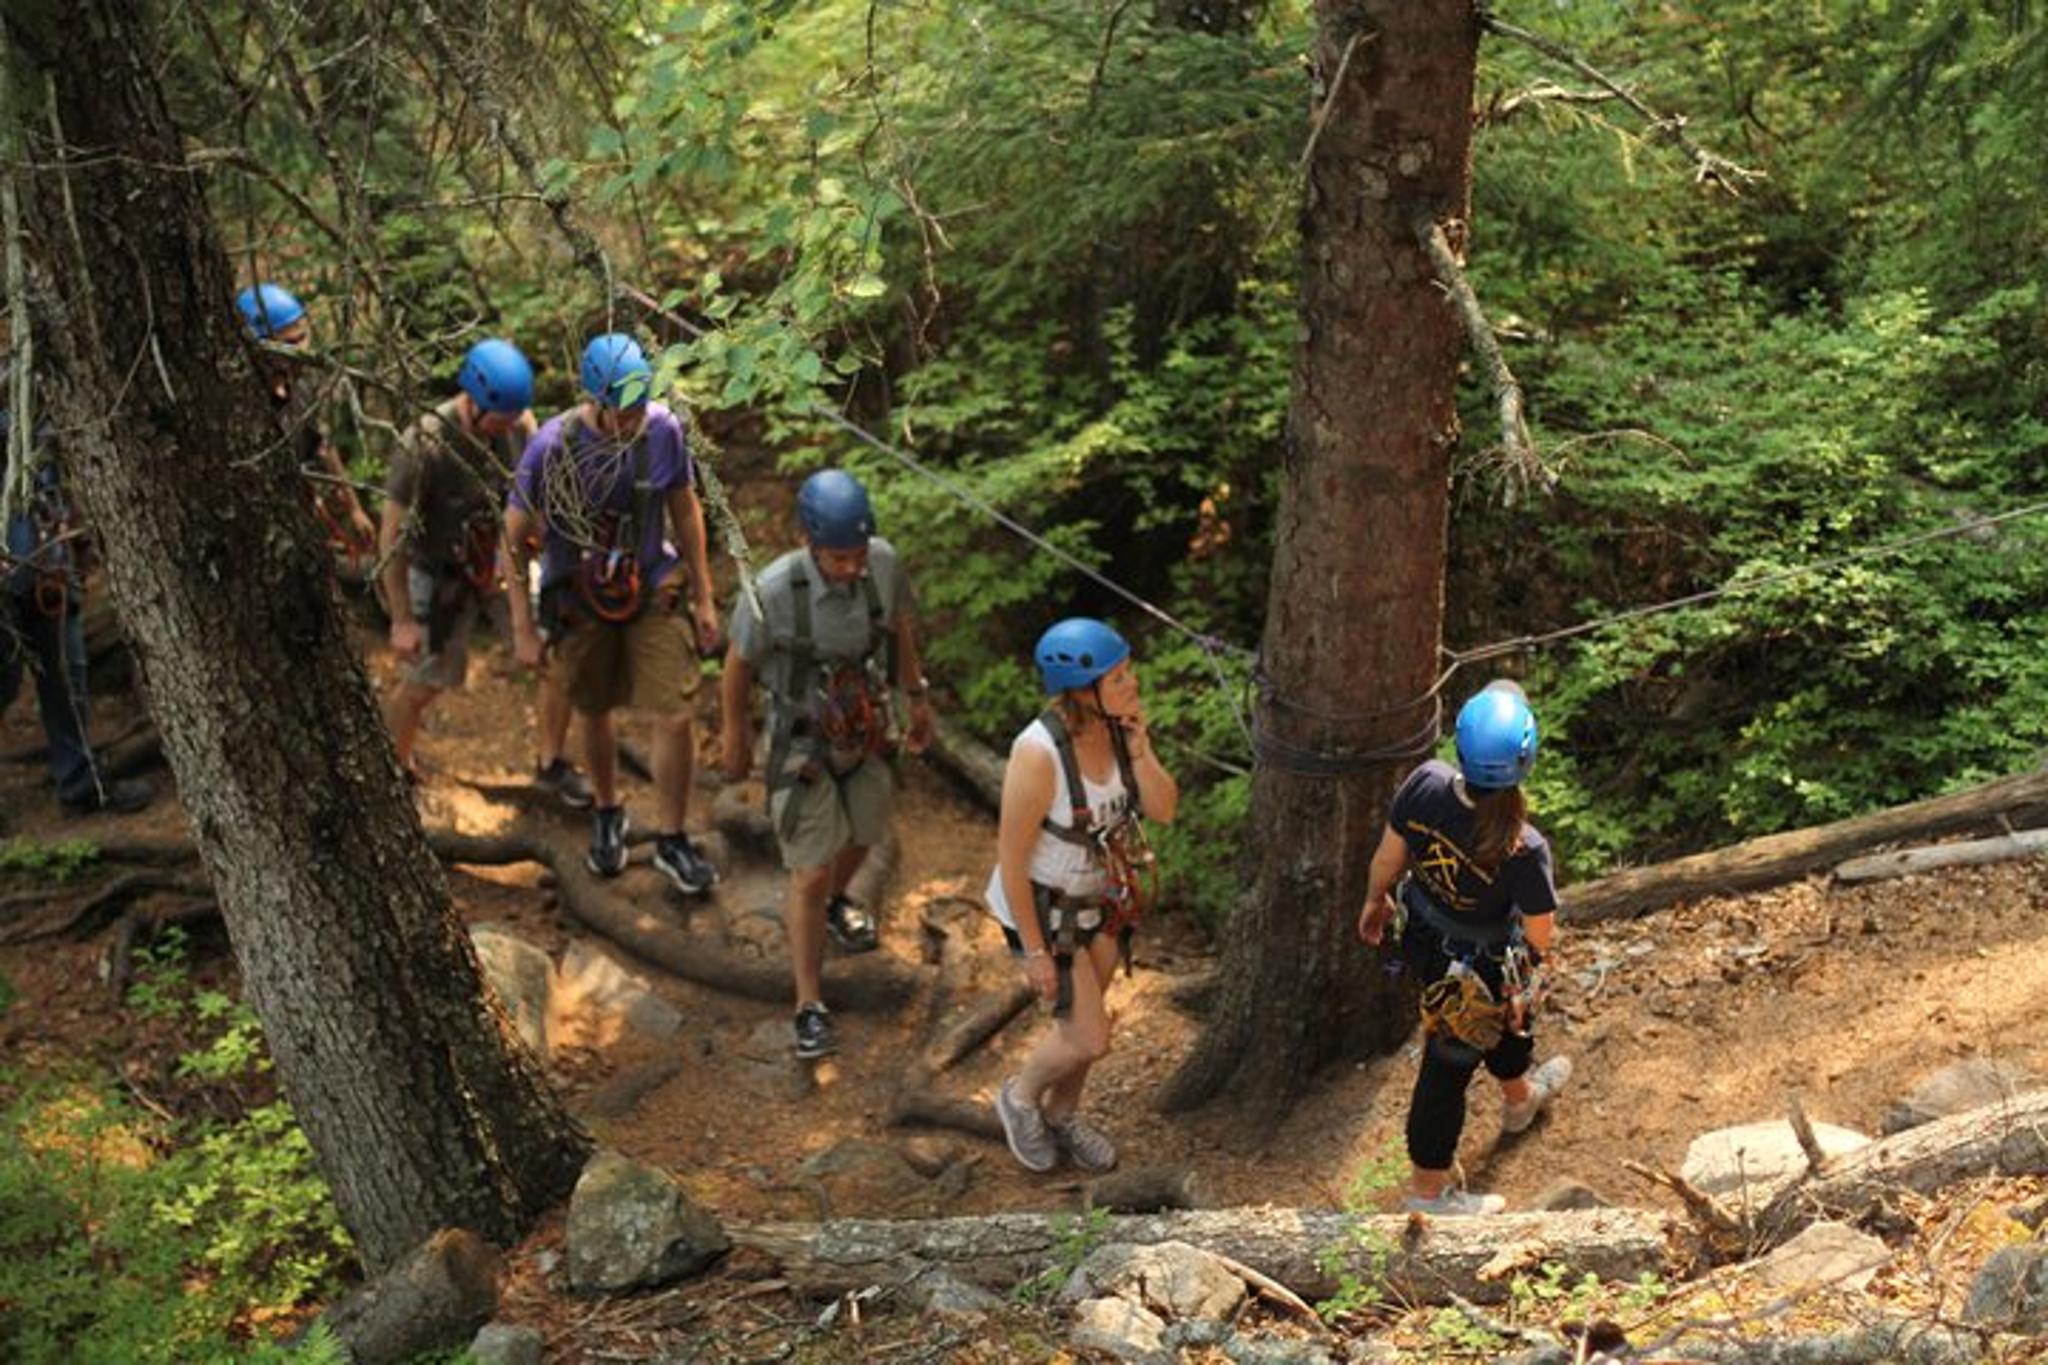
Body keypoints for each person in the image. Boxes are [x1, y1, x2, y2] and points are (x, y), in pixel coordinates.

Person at [719, 469, 936, 1059]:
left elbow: (899, 629)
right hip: (799, 740)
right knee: (809, 871)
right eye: (838, 557)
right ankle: (809, 1002)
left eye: (858, 554)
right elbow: (737, 666)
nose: (851, 567)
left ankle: (839, 902)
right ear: (806, 541)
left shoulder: (881, 567)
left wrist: (914, 696)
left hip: (864, 725)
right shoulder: (771, 591)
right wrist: (735, 733)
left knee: (866, 832)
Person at [504, 333, 721, 889]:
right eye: (621, 411)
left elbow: (685, 509)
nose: (631, 421)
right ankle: (607, 809)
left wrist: (702, 594)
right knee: (593, 706)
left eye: (637, 408)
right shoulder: (552, 447)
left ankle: (672, 837)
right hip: (578, 595)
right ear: (594, 400)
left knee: (674, 711)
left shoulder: (663, 431)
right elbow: (513, 538)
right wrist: (523, 627)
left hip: (649, 582)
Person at [1355, 680, 1574, 1216]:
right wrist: (1532, 967)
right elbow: (1540, 927)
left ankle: (1520, 1098)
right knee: (1447, 1068)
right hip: (1482, 966)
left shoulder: (1425, 785)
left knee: (1501, 1023)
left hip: (1426, 942)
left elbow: (1388, 857)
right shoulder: (1524, 847)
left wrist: (1374, 901)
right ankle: (1428, 1194)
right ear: (1526, 759)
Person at [988, 619, 1178, 1174]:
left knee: (1083, 1026)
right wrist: (1034, 951)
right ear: (1081, 691)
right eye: (1118, 677)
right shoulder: (1038, 752)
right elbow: (1010, 857)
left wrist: (1141, 752)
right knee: (1090, 1037)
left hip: (1099, 900)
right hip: (1044, 907)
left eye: (1128, 672)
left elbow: (1165, 810)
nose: (1133, 684)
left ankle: (1063, 1114)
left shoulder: (1121, 730)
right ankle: (1020, 1098)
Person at [378, 339, 589, 803]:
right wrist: (402, 619)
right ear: (472, 401)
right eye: (502, 418)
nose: (509, 427)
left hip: (503, 560)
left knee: (557, 657)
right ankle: (395, 769)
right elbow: (391, 540)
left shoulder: (520, 426)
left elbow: (536, 499)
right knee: (426, 680)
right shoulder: (424, 444)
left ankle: (551, 763)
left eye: (516, 417)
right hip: (441, 575)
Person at [0, 408, 155, 817]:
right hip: (9, 572)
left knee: (68, 678)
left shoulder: (45, 402)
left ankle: (81, 783)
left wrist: (76, 547)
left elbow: (64, 481)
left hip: (50, 564)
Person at [237, 282, 377, 557]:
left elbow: (323, 446)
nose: (303, 351)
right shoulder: (243, 402)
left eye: (303, 338)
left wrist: (354, 508)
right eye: (290, 344)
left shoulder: (303, 387)